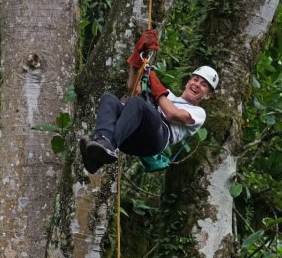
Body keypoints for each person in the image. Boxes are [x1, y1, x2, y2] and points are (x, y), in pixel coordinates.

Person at [80, 30, 219, 174]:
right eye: (195, 79)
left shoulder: (199, 113)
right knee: (109, 99)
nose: (197, 84)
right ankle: (100, 148)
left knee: (138, 103)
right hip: (130, 138)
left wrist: (152, 79)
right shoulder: (168, 96)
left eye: (203, 84)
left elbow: (172, 114)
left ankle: (108, 147)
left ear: (207, 95)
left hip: (155, 140)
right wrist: (137, 59)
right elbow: (134, 87)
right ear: (188, 81)